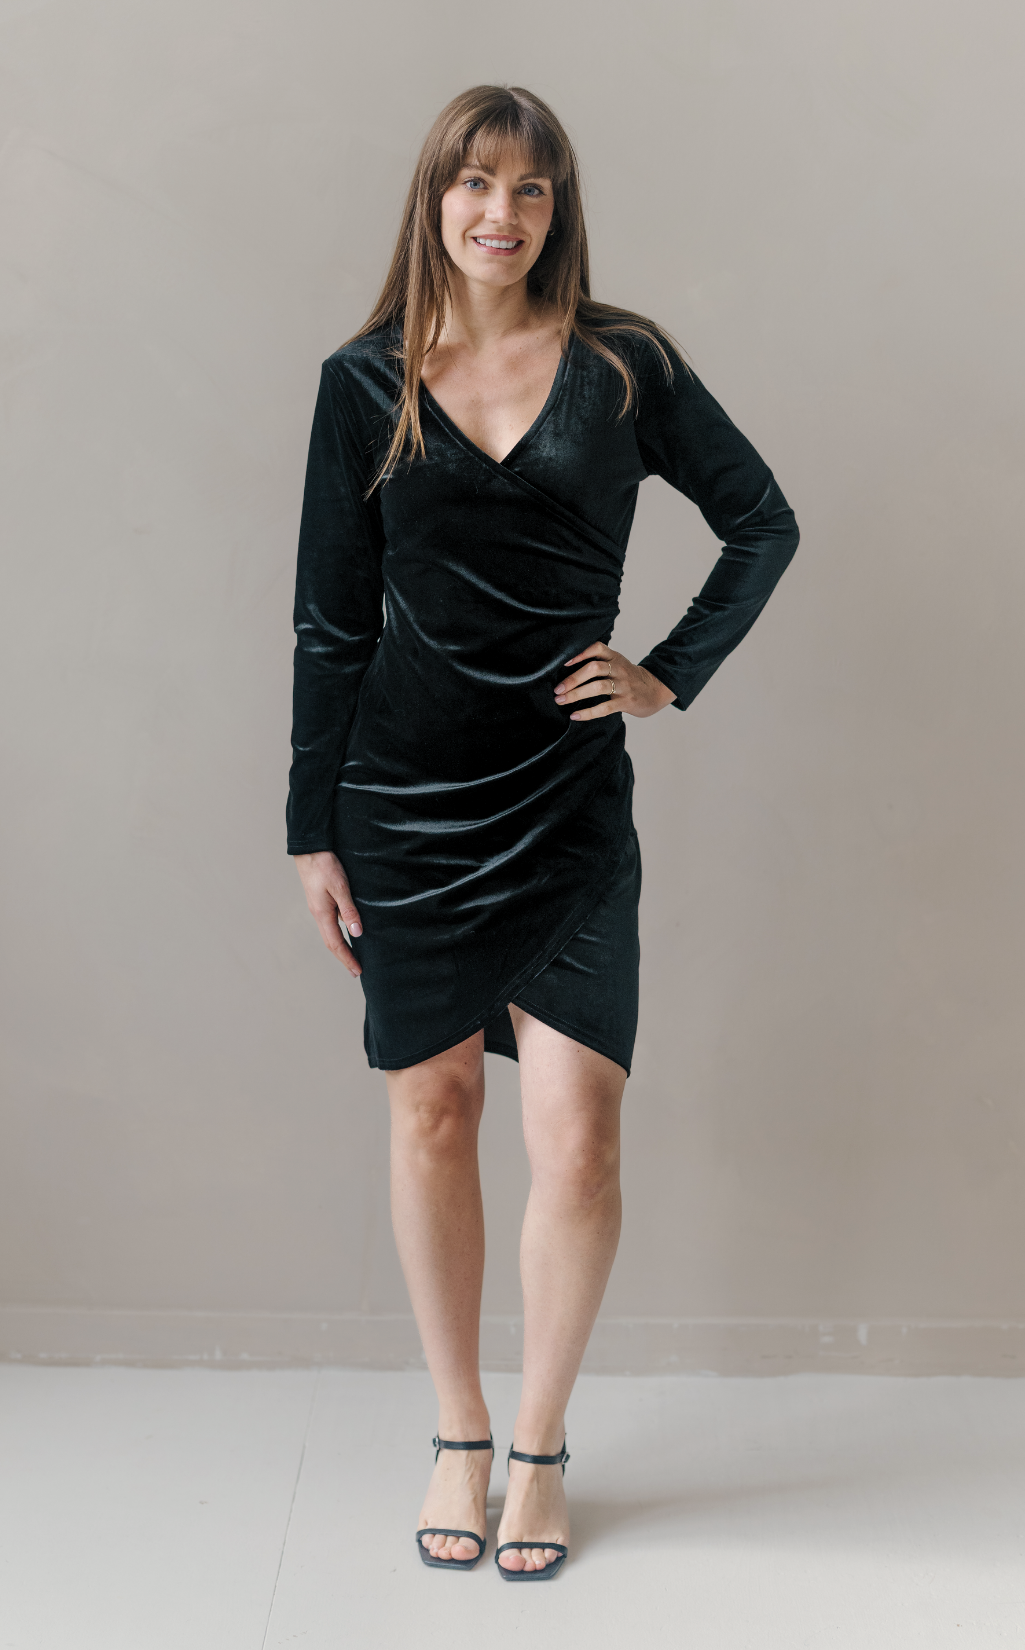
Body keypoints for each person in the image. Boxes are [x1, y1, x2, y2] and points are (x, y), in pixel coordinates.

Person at [287, 84, 798, 1580]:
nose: (499, 213)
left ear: (557, 208)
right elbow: (328, 623)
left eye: (528, 188)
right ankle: (459, 1429)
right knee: (433, 1113)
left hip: (566, 806)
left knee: (576, 1144)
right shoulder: (363, 380)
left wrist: (667, 673)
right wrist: (311, 831)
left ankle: (542, 1441)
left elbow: (761, 521)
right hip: (401, 806)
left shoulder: (624, 366)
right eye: (474, 183)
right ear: (433, 200)